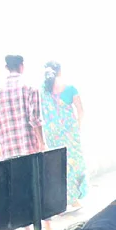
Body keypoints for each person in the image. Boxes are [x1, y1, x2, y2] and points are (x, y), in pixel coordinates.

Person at [40, 61, 86, 209]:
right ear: (59, 72)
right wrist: (77, 128)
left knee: (57, 166)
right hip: (70, 135)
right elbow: (81, 111)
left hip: (52, 136)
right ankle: (73, 199)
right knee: (73, 165)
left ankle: (60, 202)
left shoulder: (43, 92)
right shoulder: (70, 89)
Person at [0, 55, 43, 162]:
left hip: (7, 152)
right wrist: (42, 143)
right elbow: (35, 119)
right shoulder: (31, 86)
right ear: (22, 66)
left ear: (7, 68)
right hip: (29, 150)